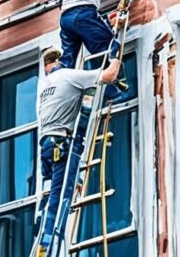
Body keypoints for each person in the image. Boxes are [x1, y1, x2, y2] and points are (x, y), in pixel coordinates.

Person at [36, 47, 122, 238]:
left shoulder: (43, 87)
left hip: (46, 147)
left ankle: (42, 231)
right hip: (61, 142)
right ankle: (49, 240)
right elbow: (109, 75)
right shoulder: (68, 75)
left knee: (51, 195)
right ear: (57, 63)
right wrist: (117, 55)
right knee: (59, 202)